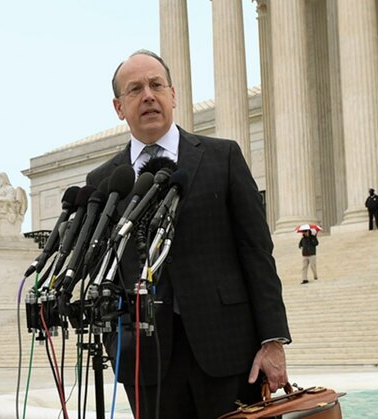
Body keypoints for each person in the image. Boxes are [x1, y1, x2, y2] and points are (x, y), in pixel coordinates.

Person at [86, 49, 291, 418]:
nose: (148, 95)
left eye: (156, 85)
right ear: (119, 107)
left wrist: (272, 340)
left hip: (228, 350)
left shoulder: (223, 157)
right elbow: (104, 273)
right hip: (146, 361)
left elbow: (256, 252)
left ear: (173, 95)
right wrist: (117, 343)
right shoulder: (105, 182)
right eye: (135, 89)